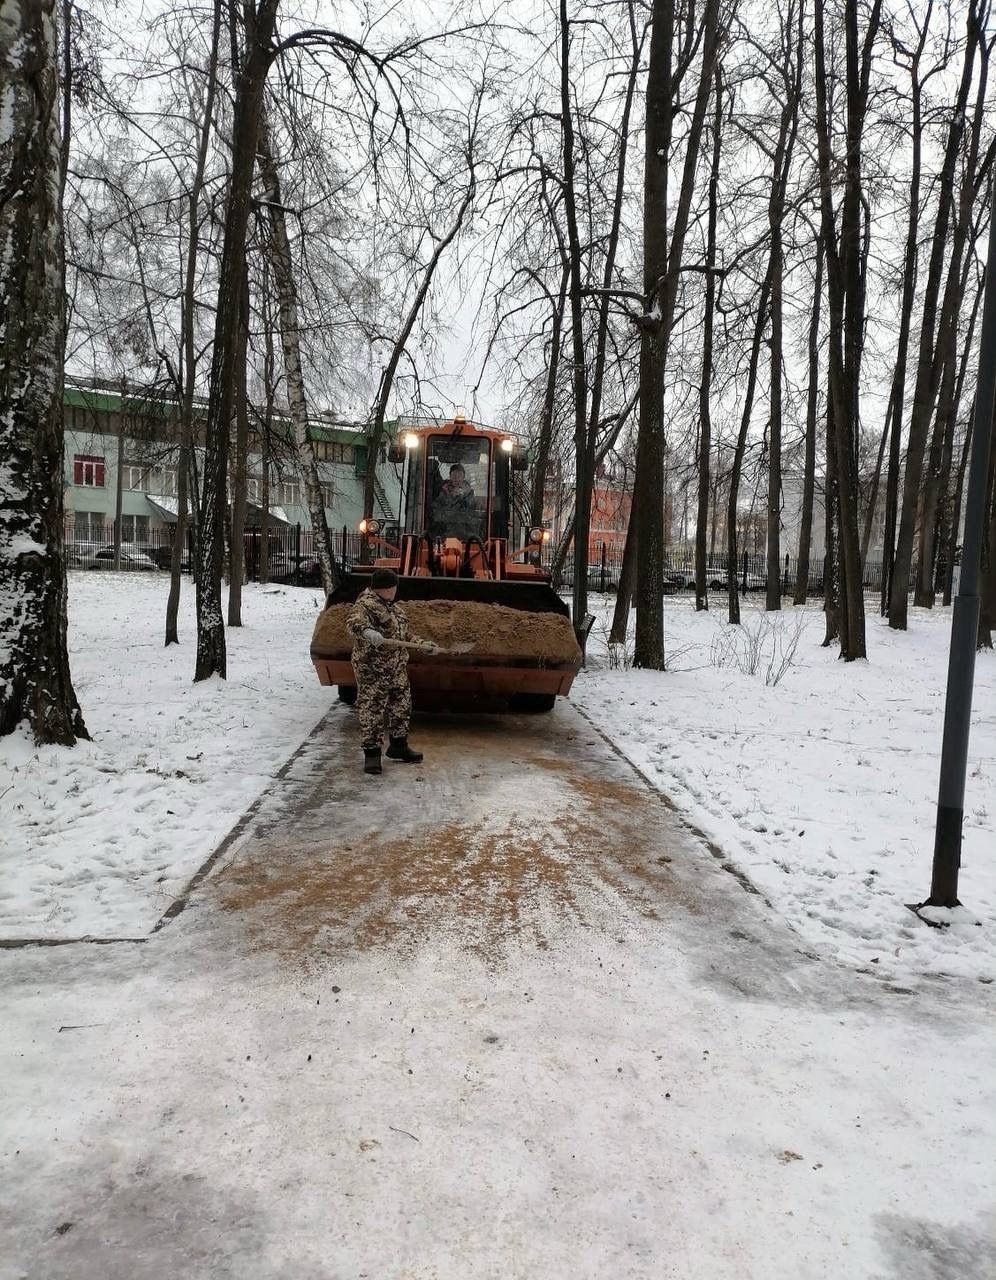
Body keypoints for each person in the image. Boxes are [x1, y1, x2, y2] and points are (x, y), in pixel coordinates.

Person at [346, 568, 435, 775]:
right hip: (373, 669)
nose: (396, 590)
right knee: (372, 709)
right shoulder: (365, 605)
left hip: (396, 668)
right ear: (386, 588)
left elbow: (405, 635)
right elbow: (353, 623)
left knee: (401, 706)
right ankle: (372, 755)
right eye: (394, 586)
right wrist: (367, 632)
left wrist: (423, 645)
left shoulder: (395, 609)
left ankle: (398, 746)